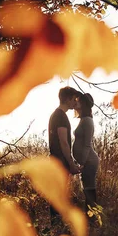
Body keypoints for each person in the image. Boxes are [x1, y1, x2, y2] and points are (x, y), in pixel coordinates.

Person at [48, 86, 80, 222]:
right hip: (60, 161)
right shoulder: (60, 116)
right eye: (74, 99)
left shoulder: (56, 115)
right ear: (67, 99)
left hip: (56, 160)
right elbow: (64, 142)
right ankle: (57, 225)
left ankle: (56, 225)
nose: (75, 102)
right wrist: (71, 163)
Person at [73, 92, 99, 214]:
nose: (75, 102)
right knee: (87, 190)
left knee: (89, 191)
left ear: (83, 104)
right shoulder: (83, 120)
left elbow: (87, 144)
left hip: (89, 161)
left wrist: (82, 162)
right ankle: (91, 219)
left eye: (78, 101)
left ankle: (92, 220)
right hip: (86, 161)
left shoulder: (87, 121)